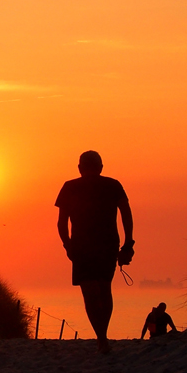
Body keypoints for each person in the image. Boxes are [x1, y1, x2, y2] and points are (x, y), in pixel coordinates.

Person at [55, 150, 134, 353]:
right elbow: (126, 214)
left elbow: (61, 222)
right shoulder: (113, 185)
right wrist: (127, 243)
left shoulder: (70, 187)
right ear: (100, 167)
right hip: (107, 244)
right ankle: (103, 337)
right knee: (104, 290)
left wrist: (67, 244)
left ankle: (101, 338)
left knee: (90, 294)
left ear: (80, 168)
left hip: (82, 246)